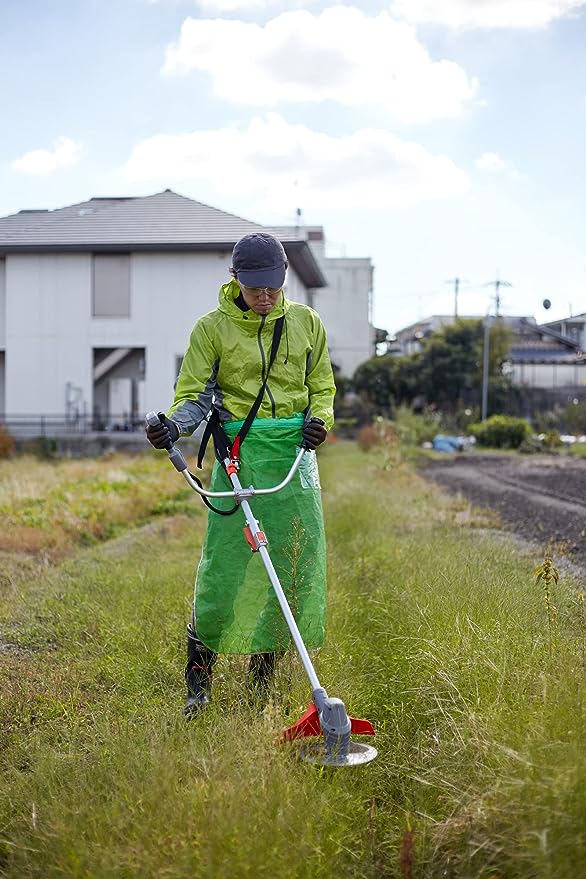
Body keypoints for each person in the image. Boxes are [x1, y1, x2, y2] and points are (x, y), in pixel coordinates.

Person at [146, 232, 336, 717]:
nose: (265, 297)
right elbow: (194, 395)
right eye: (255, 288)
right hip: (239, 454)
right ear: (235, 279)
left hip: (294, 458)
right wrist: (173, 426)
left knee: (290, 567)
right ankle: (198, 685)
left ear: (284, 280)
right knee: (226, 568)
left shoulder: (307, 323)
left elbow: (321, 387)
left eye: (272, 287)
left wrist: (320, 423)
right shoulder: (211, 329)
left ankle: (260, 688)